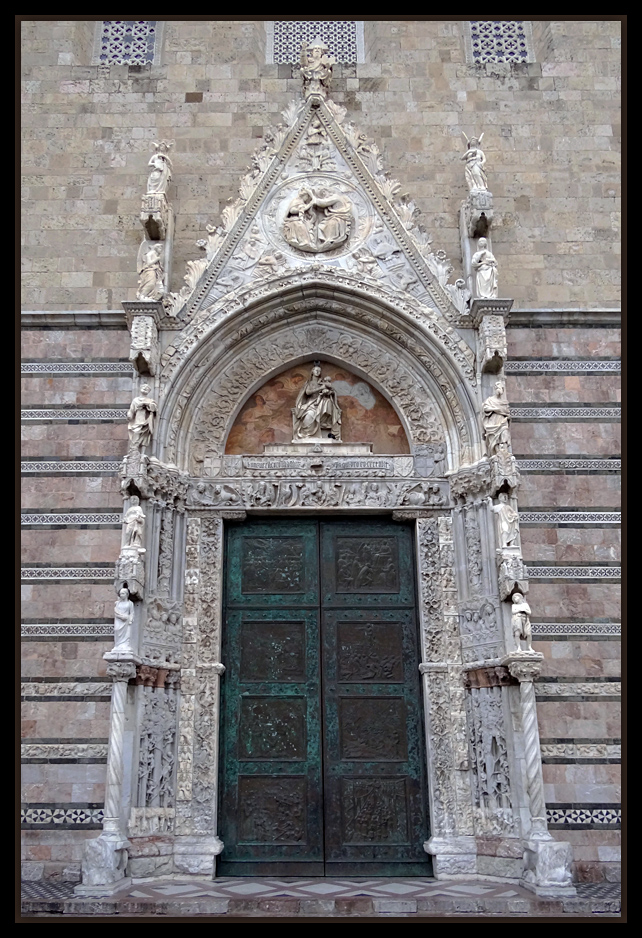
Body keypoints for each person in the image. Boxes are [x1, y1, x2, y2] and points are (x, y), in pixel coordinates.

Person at [292, 366, 342, 441]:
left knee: (328, 402)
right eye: (316, 370)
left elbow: (331, 390)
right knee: (309, 414)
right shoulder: (309, 383)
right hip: (311, 403)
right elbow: (307, 392)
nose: (318, 371)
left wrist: (329, 392)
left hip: (321, 401)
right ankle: (306, 434)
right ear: (312, 371)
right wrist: (320, 388)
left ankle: (325, 422)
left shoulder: (322, 382)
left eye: (319, 370)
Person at [482, 381, 511, 456]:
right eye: (497, 387)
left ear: (502, 389)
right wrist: (495, 409)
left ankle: (504, 453)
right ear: (495, 389)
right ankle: (496, 454)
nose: (499, 389)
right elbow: (485, 408)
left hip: (502, 422)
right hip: (493, 423)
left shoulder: (504, 402)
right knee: (494, 440)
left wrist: (506, 416)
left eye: (500, 388)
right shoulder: (490, 400)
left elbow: (507, 413)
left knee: (504, 434)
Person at [127, 384, 157, 452]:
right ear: (140, 388)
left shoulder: (150, 400)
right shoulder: (135, 400)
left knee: (145, 437)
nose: (145, 388)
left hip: (146, 420)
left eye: (147, 388)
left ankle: (143, 453)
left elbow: (154, 407)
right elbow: (131, 410)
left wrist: (145, 404)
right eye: (144, 387)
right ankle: (134, 451)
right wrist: (129, 415)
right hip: (138, 420)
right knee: (136, 433)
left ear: (149, 391)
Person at [113, 588, 135, 654]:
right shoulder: (118, 603)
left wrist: (130, 619)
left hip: (127, 621)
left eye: (123, 593)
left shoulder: (130, 603)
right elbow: (115, 612)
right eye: (120, 594)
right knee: (117, 630)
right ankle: (117, 645)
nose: (121, 595)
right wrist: (121, 617)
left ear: (127, 594)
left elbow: (132, 613)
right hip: (119, 620)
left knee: (127, 634)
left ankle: (125, 645)